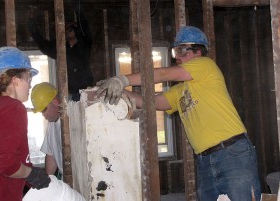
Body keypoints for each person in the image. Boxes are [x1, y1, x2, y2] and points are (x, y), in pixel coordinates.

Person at [96, 26, 262, 201]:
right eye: (175, 52)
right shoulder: (182, 90)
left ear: (198, 51)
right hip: (204, 160)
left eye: (182, 50)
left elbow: (164, 73)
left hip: (231, 153)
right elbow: (151, 102)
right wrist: (122, 92)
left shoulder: (206, 65)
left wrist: (123, 79)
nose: (178, 57)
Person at [0, 47, 51, 201]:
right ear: (15, 80)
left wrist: (29, 174)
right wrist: (31, 173)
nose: (30, 85)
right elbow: (3, 163)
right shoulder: (12, 107)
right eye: (28, 79)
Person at [28, 3, 93, 101]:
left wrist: (77, 5)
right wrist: (31, 24)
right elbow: (42, 44)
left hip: (86, 92)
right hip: (69, 94)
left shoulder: (84, 45)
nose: (68, 31)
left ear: (77, 31)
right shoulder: (62, 50)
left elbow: (84, 23)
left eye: (71, 29)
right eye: (66, 29)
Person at [30, 82, 63, 179]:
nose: (43, 115)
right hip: (67, 181)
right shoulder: (51, 125)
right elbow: (51, 154)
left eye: (44, 109)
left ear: (55, 102)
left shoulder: (71, 120)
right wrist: (47, 181)